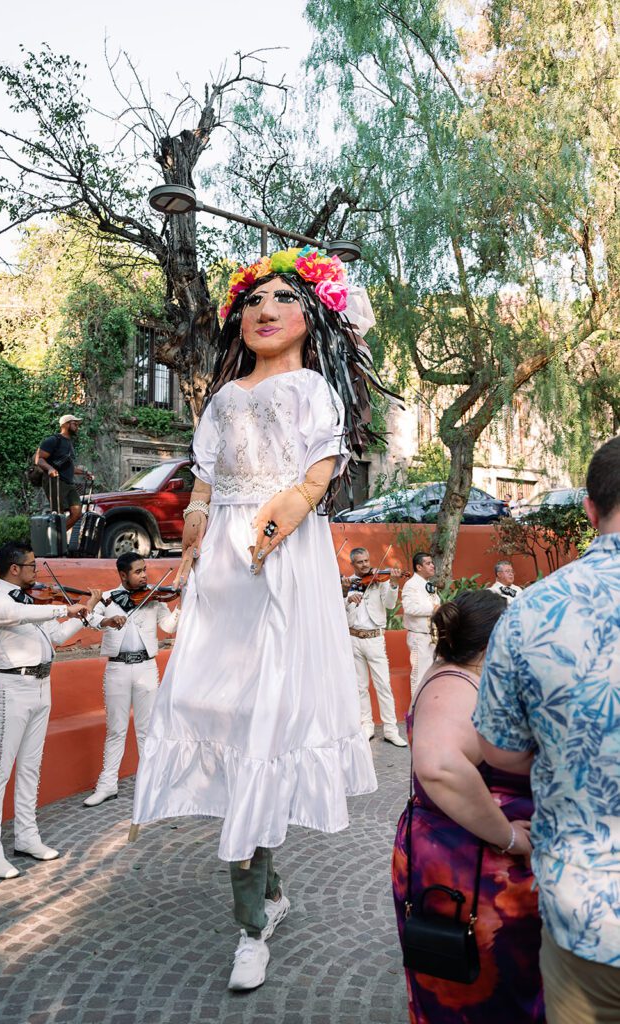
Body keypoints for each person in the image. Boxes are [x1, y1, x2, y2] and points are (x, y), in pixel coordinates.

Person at [132, 246, 395, 991]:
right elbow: (205, 477)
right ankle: (266, 892)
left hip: (282, 557)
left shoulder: (314, 389)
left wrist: (290, 507)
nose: (264, 309)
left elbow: (321, 469)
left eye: (282, 298)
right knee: (208, 704)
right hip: (223, 565)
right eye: (252, 300)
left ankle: (252, 922)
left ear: (314, 317)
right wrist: (195, 522)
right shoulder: (221, 398)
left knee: (267, 721)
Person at [474, 436, 620, 1024]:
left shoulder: (531, 611)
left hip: (586, 913)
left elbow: (498, 748)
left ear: (589, 508)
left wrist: (567, 751)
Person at [392, 590, 544, 1023]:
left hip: (459, 853)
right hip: (469, 861)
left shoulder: (458, 674)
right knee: (485, 991)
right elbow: (439, 766)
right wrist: (509, 836)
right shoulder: (456, 686)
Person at [0, 542, 99, 880]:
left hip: (42, 685)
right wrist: (64, 608)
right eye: (32, 565)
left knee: (31, 766)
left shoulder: (31, 603)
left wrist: (84, 612)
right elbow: (19, 615)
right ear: (14, 568)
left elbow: (56, 636)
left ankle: (26, 837)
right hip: (12, 687)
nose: (36, 571)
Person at [83, 552, 180, 807]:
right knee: (116, 729)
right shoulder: (108, 598)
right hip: (117, 668)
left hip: (146, 667)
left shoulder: (153, 597)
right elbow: (90, 620)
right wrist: (107, 619)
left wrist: (182, 605)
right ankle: (107, 785)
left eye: (144, 570)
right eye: (138, 572)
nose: (144, 576)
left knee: (146, 730)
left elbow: (169, 626)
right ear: (123, 575)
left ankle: (149, 785)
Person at [344, 547, 406, 746]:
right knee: (360, 686)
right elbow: (337, 609)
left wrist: (394, 582)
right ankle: (367, 725)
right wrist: (346, 596)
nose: (365, 565)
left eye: (366, 560)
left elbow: (390, 605)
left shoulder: (381, 580)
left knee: (383, 685)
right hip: (353, 638)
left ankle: (391, 729)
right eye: (360, 562)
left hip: (374, 639)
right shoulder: (347, 583)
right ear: (352, 564)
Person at [35, 414, 93, 533]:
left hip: (68, 483)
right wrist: (50, 469)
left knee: (77, 512)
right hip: (55, 482)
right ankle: (54, 539)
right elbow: (39, 459)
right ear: (66, 424)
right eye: (75, 424)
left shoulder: (69, 443)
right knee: (59, 514)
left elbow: (69, 467)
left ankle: (58, 535)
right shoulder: (53, 440)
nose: (77, 427)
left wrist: (84, 472)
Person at [401, 552, 440, 699]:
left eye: (432, 563)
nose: (432, 566)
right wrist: (434, 609)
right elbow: (409, 608)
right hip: (419, 637)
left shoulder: (428, 585)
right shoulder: (411, 585)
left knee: (433, 676)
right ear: (419, 567)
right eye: (428, 563)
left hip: (433, 636)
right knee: (419, 676)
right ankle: (416, 711)